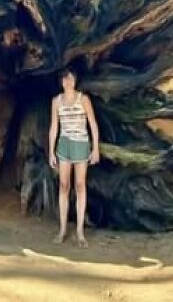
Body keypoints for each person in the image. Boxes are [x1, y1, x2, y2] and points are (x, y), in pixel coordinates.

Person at [48, 67, 100, 247]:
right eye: (64, 79)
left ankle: (79, 232)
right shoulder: (56, 101)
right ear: (61, 82)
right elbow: (54, 126)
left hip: (81, 144)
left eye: (70, 79)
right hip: (64, 144)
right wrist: (51, 150)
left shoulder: (83, 99)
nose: (67, 82)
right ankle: (62, 229)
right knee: (63, 185)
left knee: (79, 185)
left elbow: (92, 123)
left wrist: (95, 149)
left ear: (75, 81)